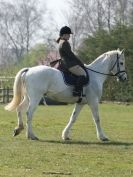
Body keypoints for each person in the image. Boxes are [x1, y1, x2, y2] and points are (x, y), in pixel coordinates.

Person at [56, 26, 88, 97]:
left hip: (65, 63)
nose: (69, 36)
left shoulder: (61, 42)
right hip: (69, 64)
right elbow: (71, 55)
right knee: (83, 74)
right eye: (68, 35)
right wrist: (80, 63)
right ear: (64, 35)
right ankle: (76, 91)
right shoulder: (64, 43)